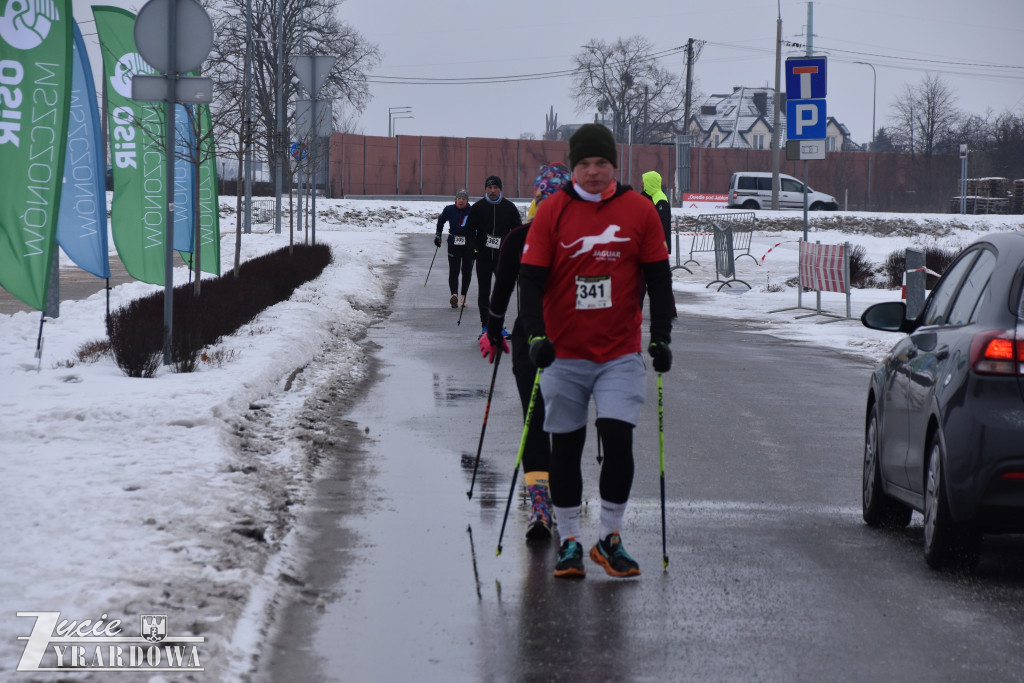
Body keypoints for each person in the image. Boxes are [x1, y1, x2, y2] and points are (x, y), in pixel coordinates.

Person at [517, 123, 675, 579]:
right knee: (566, 446)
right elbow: (530, 281)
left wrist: (661, 335)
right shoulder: (554, 213)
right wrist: (535, 337)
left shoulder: (638, 212)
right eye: (583, 164)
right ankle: (569, 541)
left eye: (600, 163)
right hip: (564, 353)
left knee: (618, 438)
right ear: (572, 167)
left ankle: (609, 537)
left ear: (614, 165)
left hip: (618, 352)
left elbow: (660, 278)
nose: (592, 172)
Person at [479, 162, 572, 541]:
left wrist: (493, 327)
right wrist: (493, 328)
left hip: (566, 343)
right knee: (543, 423)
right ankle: (541, 502)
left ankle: (550, 499)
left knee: (547, 423)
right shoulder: (519, 239)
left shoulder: (577, 240)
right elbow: (499, 295)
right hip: (533, 344)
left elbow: (499, 298)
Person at [467, 175, 522, 339]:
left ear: (500, 189)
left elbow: (517, 231)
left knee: (501, 292)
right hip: (483, 257)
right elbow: (469, 232)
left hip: (503, 258)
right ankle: (486, 326)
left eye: (495, 188)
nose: (492, 191)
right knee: (484, 292)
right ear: (485, 189)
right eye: (490, 188)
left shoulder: (509, 207)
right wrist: (474, 250)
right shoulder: (477, 207)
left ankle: (499, 327)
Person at [435, 189, 474, 308]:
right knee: (454, 270)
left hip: (468, 244)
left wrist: (477, 243)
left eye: (463, 199)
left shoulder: (472, 210)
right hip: (453, 243)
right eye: (459, 198)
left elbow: (478, 226)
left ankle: (463, 297)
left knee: (467, 271)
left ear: (467, 200)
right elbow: (441, 221)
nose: (461, 201)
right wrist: (438, 235)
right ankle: (454, 295)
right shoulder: (449, 209)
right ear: (456, 199)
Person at [640, 171, 672, 255]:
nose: (641, 184)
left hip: (657, 245)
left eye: (643, 182)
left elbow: (662, 225)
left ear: (650, 183)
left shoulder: (660, 199)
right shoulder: (645, 196)